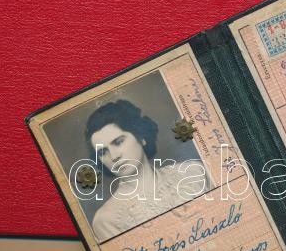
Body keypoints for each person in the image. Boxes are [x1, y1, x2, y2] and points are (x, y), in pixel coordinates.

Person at [85, 99, 205, 242]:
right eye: (103, 152)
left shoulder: (192, 172)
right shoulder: (107, 220)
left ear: (141, 137)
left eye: (118, 142)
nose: (114, 156)